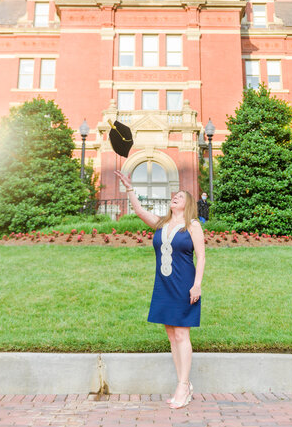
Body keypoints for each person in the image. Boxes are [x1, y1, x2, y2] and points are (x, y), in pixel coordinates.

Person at [114, 170, 205, 410]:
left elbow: (202, 257)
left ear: (188, 205)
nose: (175, 197)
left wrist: (197, 284)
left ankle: (183, 386)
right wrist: (130, 188)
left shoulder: (193, 225)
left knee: (182, 335)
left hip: (184, 286)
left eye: (180, 196)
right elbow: (140, 211)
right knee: (172, 336)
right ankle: (183, 383)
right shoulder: (162, 223)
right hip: (164, 286)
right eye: (173, 195)